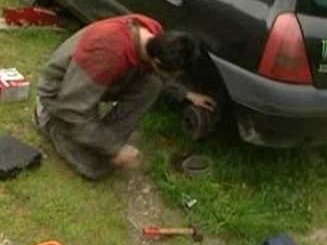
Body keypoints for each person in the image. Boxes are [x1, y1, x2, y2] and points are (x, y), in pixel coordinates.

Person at [34, 14, 216, 180]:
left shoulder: (154, 36)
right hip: (61, 94)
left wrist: (187, 94)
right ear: (158, 61)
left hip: (94, 79)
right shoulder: (106, 53)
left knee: (153, 84)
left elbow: (160, 75)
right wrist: (116, 149)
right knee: (96, 168)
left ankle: (102, 142)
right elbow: (72, 110)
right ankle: (49, 121)